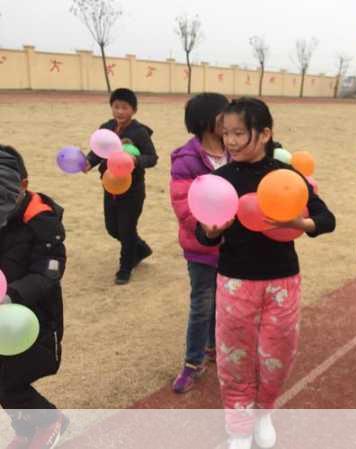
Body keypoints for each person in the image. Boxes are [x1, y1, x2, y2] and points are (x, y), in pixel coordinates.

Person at [196, 98, 335, 449]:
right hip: (235, 281)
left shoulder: (285, 177)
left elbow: (326, 219)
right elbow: (203, 233)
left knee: (277, 354)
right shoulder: (220, 179)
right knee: (234, 357)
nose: (230, 141)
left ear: (265, 133)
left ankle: (264, 413)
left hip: (282, 281)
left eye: (239, 133)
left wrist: (299, 223)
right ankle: (239, 427)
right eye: (225, 134)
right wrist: (212, 231)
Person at [0, 145, 68, 449]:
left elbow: (49, 273)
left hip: (34, 323)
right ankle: (25, 428)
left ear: (23, 186)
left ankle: (50, 419)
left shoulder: (43, 222)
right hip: (3, 322)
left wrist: (12, 296)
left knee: (10, 383)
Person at [169, 93, 230, 393]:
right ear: (207, 121)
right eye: (224, 115)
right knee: (202, 304)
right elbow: (182, 203)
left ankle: (212, 346)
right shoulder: (186, 159)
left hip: (233, 245)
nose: (231, 120)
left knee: (223, 301)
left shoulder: (237, 150)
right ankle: (193, 363)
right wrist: (205, 229)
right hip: (202, 246)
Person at [84, 88, 158, 285]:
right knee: (112, 228)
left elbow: (152, 158)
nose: (119, 112)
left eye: (124, 108)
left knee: (126, 229)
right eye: (116, 107)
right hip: (110, 185)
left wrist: (136, 159)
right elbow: (97, 152)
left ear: (133, 110)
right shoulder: (106, 128)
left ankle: (125, 268)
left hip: (132, 189)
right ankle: (140, 248)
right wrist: (88, 163)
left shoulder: (139, 132)